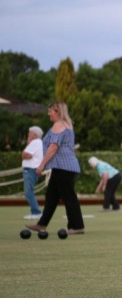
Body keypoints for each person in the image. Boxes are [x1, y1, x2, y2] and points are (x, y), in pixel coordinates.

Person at [26, 101, 85, 235]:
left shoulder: (59, 125)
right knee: (52, 196)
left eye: (51, 111)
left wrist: (41, 165)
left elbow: (53, 147)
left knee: (69, 196)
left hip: (63, 167)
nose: (49, 114)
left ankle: (77, 226)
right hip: (64, 166)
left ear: (58, 112)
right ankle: (42, 224)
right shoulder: (67, 124)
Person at [21, 126, 44, 220]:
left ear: (34, 134)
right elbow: (26, 155)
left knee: (28, 192)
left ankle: (36, 212)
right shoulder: (38, 143)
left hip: (30, 169)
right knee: (29, 191)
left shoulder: (35, 142)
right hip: (32, 169)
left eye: (29, 133)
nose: (28, 135)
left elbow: (24, 155)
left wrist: (27, 153)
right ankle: (36, 212)